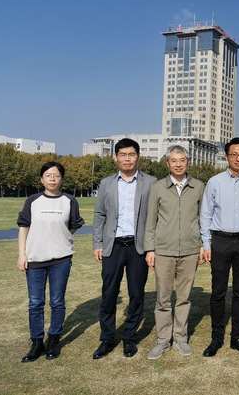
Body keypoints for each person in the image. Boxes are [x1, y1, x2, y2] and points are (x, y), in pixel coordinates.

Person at [92, 138, 157, 359]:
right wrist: (98, 244)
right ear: (116, 157)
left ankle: (129, 337)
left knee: (136, 294)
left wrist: (152, 247)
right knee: (109, 294)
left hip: (139, 247)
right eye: (122, 154)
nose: (127, 158)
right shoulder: (106, 183)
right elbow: (100, 215)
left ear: (138, 156)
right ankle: (107, 338)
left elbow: (156, 216)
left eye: (131, 154)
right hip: (113, 246)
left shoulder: (151, 182)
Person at [200, 137, 239, 357]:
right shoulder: (214, 182)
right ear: (226, 156)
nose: (238, 158)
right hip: (220, 241)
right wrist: (206, 244)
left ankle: (237, 338)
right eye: (234, 154)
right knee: (218, 292)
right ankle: (216, 338)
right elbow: (206, 215)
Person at [17, 161, 84, 362]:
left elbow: (75, 224)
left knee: (57, 301)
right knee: (35, 303)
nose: (52, 179)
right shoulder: (33, 201)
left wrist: (63, 236)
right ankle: (37, 342)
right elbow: (23, 227)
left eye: (56, 175)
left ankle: (54, 339)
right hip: (35, 259)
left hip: (61, 259)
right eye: (48, 175)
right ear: (41, 179)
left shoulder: (69, 201)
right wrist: (22, 255)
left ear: (61, 179)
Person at [144, 145, 205, 360]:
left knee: (183, 298)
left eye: (182, 160)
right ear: (167, 163)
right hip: (163, 251)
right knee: (163, 299)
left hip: (190, 251)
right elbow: (151, 221)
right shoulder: (158, 187)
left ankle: (180, 338)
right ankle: (162, 340)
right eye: (174, 160)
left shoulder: (199, 187)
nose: (178, 164)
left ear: (188, 162)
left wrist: (202, 245)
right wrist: (150, 249)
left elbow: (203, 218)